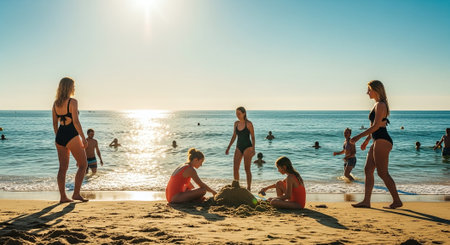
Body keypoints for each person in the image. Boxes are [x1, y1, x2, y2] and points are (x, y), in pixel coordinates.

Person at [350, 80, 402, 209]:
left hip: (383, 140)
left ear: (376, 90)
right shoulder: (377, 105)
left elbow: (376, 126)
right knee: (368, 170)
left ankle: (397, 201)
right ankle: (366, 201)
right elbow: (374, 127)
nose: (367, 92)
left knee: (382, 173)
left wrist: (358, 137)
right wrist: (367, 140)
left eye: (369, 90)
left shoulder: (381, 105)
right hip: (377, 140)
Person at [52, 77, 88, 203]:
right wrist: (83, 138)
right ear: (69, 87)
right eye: (73, 85)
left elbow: (55, 125)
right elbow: (76, 122)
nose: (74, 88)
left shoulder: (56, 103)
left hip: (60, 135)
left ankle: (63, 197)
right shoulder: (72, 102)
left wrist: (60, 137)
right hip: (71, 134)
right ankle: (76, 194)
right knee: (83, 164)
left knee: (62, 168)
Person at [226, 107, 256, 191]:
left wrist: (253, 149)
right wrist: (228, 147)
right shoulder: (236, 123)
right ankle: (236, 186)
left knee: (247, 169)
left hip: (248, 147)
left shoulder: (249, 124)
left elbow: (253, 137)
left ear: (244, 113)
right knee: (235, 167)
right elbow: (234, 136)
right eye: (236, 114)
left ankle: (249, 187)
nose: (237, 115)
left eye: (239, 114)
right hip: (238, 147)